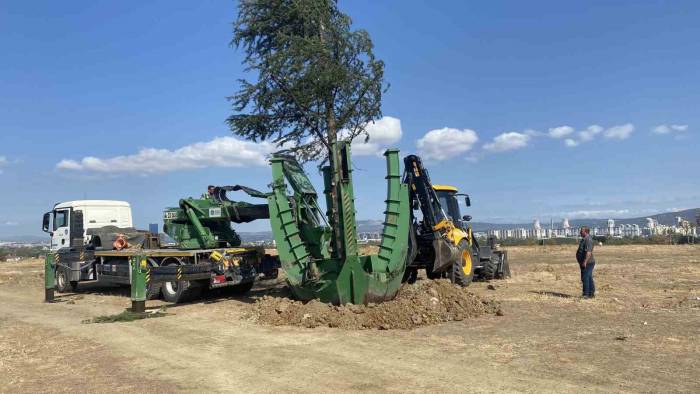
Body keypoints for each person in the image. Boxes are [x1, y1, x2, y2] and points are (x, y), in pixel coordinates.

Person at [576, 226, 596, 299]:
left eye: (581, 231)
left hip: (588, 263)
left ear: (586, 232)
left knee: (585, 277)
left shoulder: (588, 240)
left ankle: (586, 294)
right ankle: (591, 293)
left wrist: (585, 261)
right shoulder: (584, 239)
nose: (580, 232)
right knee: (588, 277)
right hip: (584, 262)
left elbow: (588, 252)